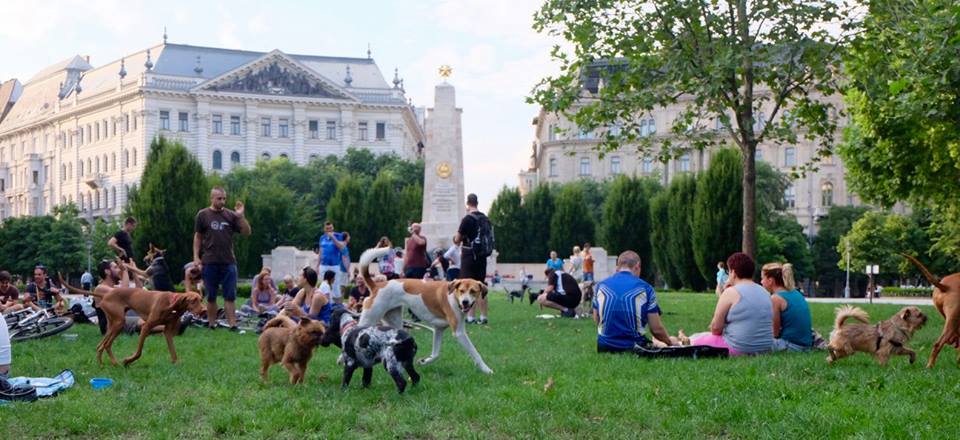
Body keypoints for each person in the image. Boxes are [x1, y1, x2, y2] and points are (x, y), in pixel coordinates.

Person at [193, 187, 252, 331]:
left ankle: (232, 325)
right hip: (209, 261)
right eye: (219, 198)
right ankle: (212, 324)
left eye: (224, 198)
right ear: (212, 198)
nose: (222, 201)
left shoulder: (231, 216)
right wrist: (196, 257)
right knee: (211, 295)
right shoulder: (203, 215)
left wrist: (241, 216)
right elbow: (198, 236)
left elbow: (247, 232)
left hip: (228, 262)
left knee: (230, 296)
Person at [691, 252, 773, 355]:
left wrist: (725, 291)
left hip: (739, 347)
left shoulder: (731, 292)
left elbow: (716, 328)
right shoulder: (765, 292)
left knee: (696, 339)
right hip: (765, 348)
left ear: (733, 272)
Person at [593, 251, 673, 352]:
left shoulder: (600, 286)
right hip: (634, 346)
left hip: (604, 346)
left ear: (617, 267)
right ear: (637, 266)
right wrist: (670, 343)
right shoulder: (646, 288)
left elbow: (596, 319)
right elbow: (656, 329)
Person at [761, 263, 813, 352]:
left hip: (792, 346)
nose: (761, 282)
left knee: (754, 343)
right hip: (806, 345)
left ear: (770, 281)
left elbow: (774, 333)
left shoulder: (775, 298)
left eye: (762, 278)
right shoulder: (796, 293)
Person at [455, 193, 489, 324]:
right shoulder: (485, 218)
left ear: (467, 203)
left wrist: (456, 239)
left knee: (467, 285)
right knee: (480, 285)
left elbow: (457, 240)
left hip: (469, 255)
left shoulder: (467, 219)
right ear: (477, 203)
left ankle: (470, 316)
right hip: (482, 256)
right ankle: (484, 316)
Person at [317, 222, 347, 298]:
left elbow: (341, 247)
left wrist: (333, 237)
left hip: (334, 265)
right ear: (324, 229)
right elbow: (320, 251)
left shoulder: (338, 236)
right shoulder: (322, 238)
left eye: (330, 228)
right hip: (324, 264)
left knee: (335, 284)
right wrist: (317, 265)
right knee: (323, 284)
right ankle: (325, 300)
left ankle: (336, 303)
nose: (329, 230)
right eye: (327, 228)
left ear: (333, 228)